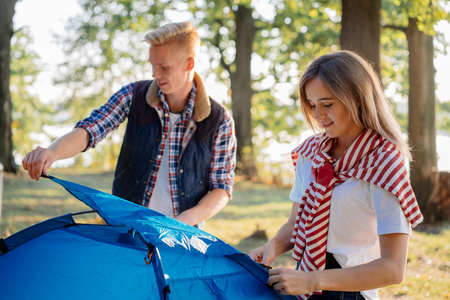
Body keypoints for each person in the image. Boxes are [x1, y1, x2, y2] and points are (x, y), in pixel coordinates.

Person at [22, 21, 237, 229]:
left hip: (182, 238)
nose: (155, 75)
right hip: (124, 229)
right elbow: (91, 129)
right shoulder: (133, 95)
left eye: (164, 67)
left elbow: (222, 188)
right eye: (153, 66)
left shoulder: (219, 120)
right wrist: (52, 152)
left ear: (189, 64)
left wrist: (183, 220)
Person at [249, 50, 423, 300]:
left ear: (357, 98)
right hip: (305, 287)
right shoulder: (311, 154)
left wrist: (313, 280)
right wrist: (273, 247)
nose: (318, 116)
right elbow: (294, 222)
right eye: (312, 105)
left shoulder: (384, 162)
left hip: (351, 294)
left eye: (327, 104)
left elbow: (393, 269)